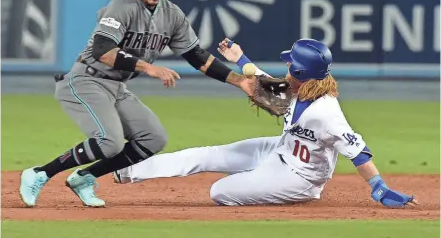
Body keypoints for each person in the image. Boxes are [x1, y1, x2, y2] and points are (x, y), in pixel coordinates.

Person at [19, 0, 254, 208]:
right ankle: (40, 173)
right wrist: (148, 68)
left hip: (117, 87)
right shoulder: (123, 6)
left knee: (153, 138)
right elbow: (103, 50)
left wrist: (239, 81)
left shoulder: (171, 15)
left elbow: (198, 57)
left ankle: (85, 177)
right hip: (86, 79)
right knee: (110, 142)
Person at [113, 38, 418, 208]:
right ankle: (126, 170)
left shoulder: (326, 112)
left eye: (290, 64)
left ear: (299, 72)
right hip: (278, 151)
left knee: (220, 191)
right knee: (205, 154)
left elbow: (358, 151)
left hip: (300, 179)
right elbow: (260, 78)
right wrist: (240, 56)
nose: (286, 65)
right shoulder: (298, 88)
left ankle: (276, 187)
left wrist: (379, 187)